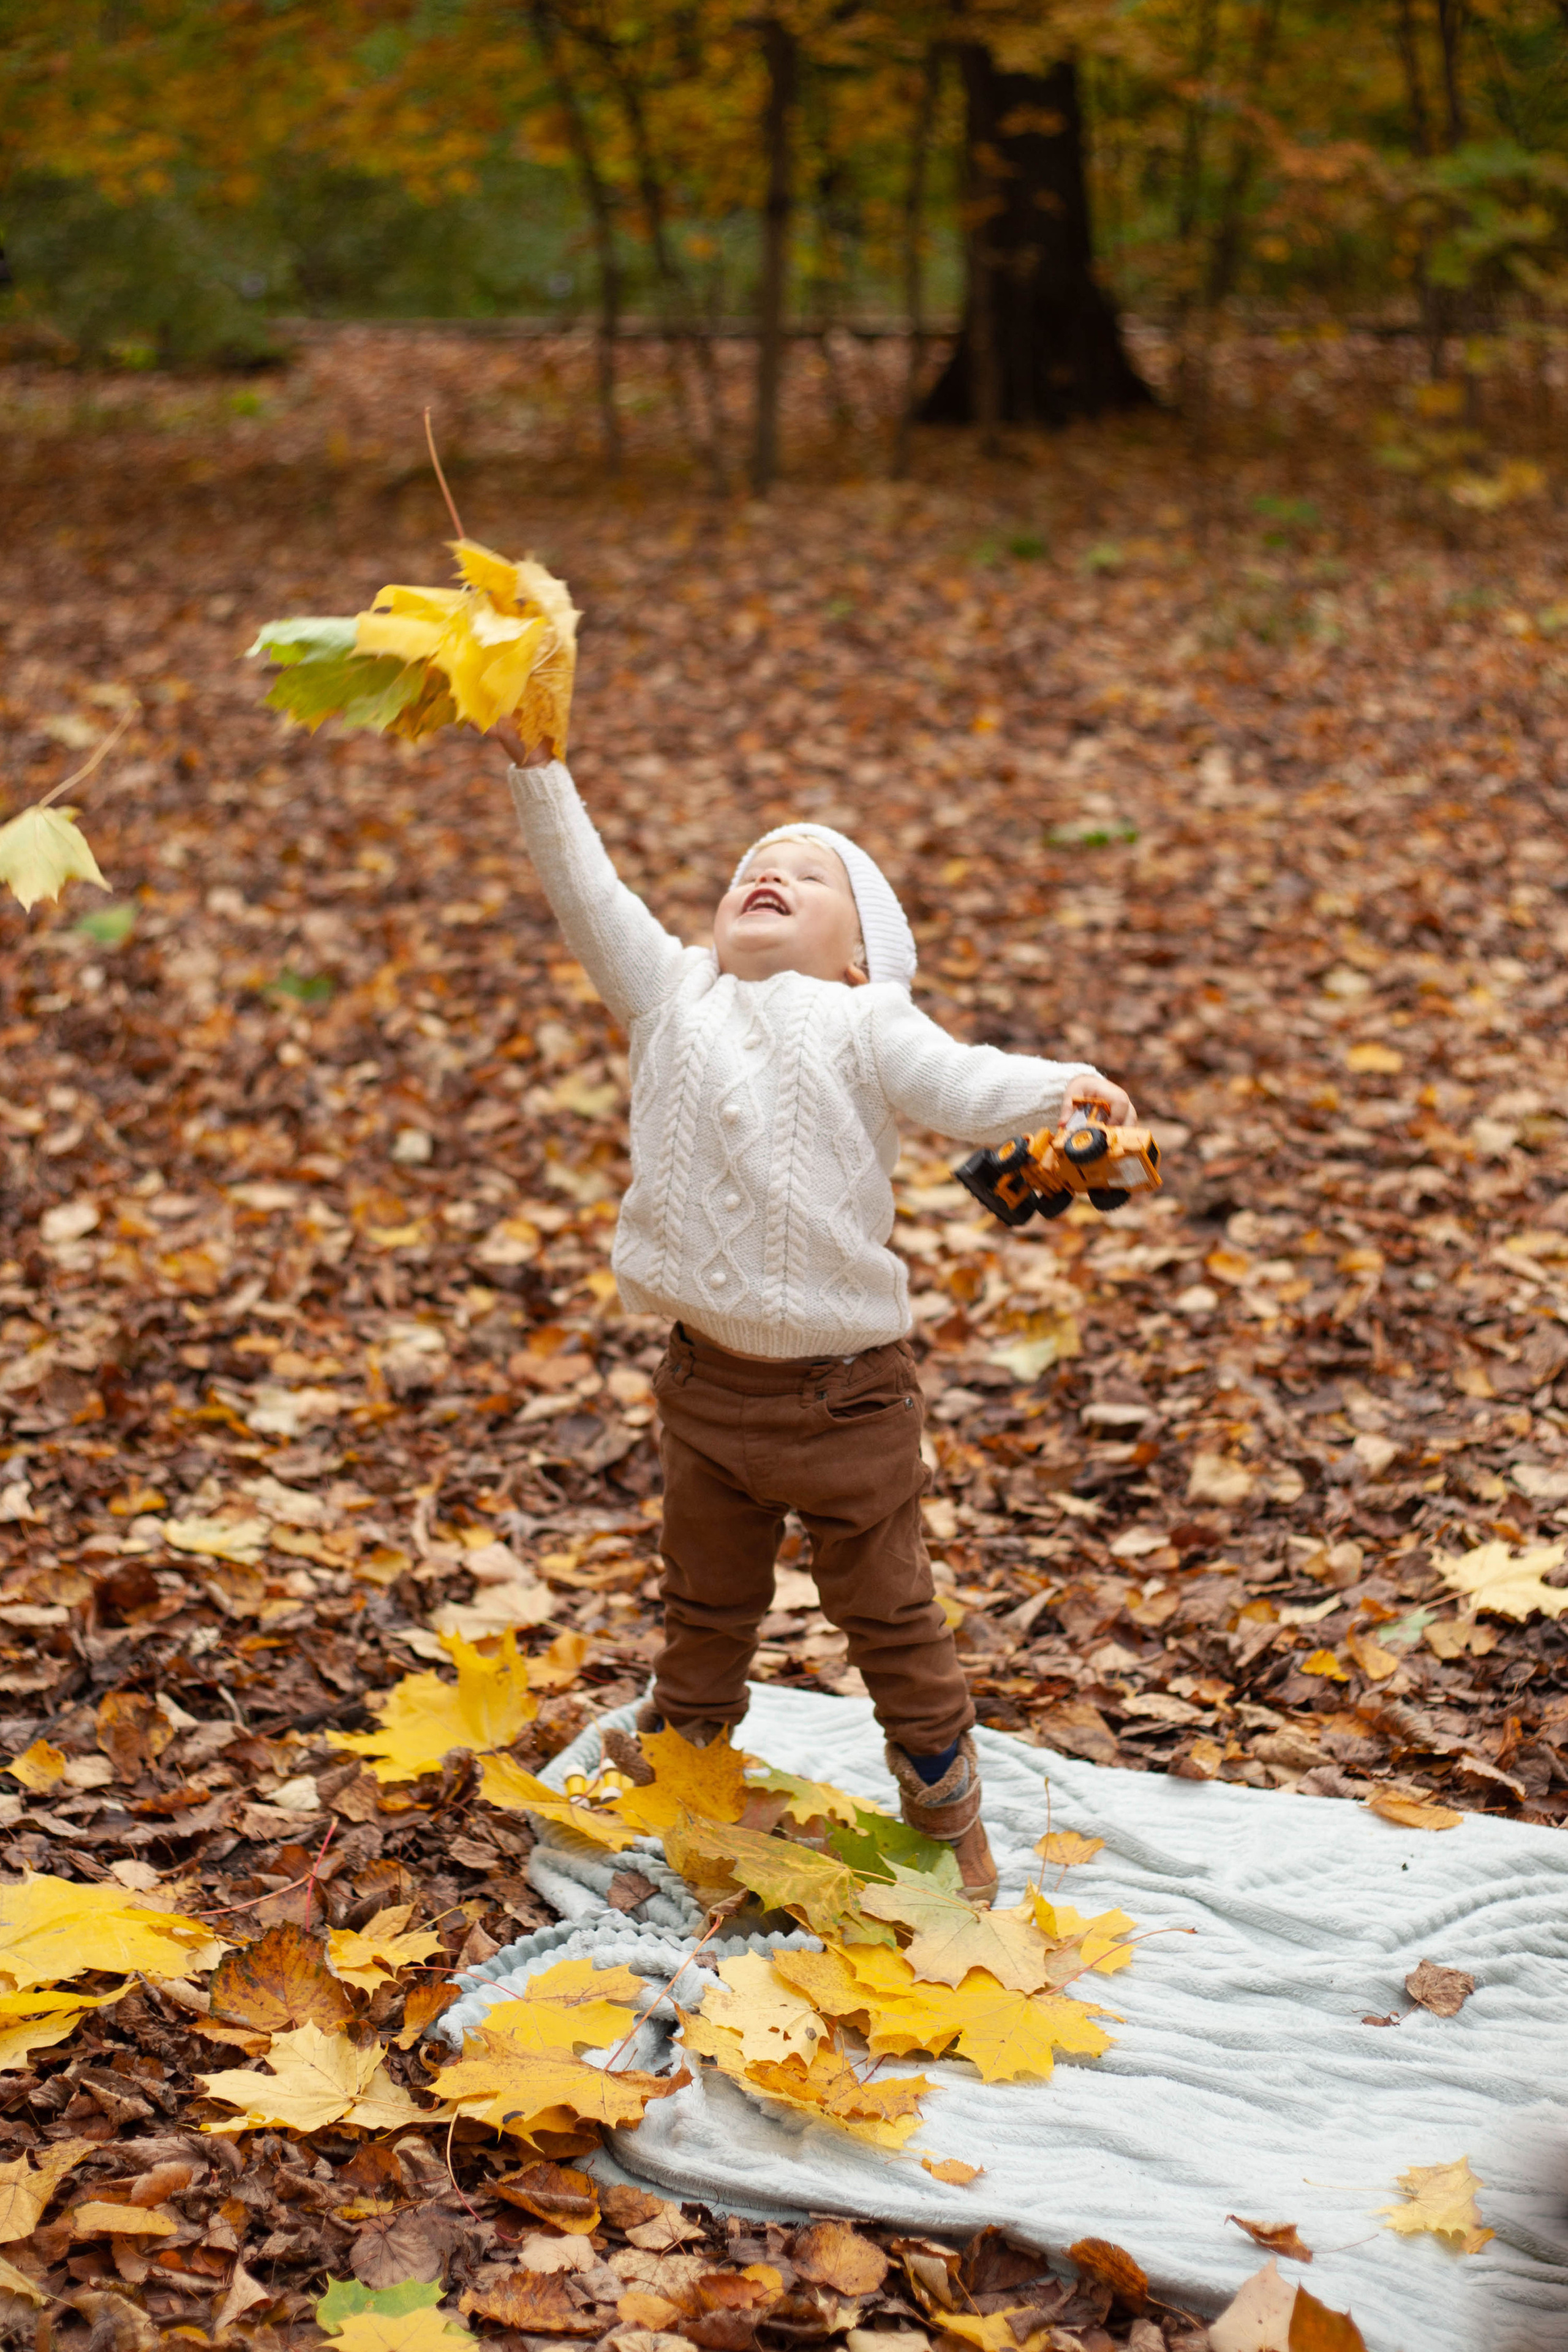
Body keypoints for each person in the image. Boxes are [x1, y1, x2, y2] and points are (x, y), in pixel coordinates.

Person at [494, 725, 1133, 1901]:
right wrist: (539, 768)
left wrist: (1060, 1088)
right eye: (753, 863)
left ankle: (947, 1818)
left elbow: (963, 1082)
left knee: (888, 1615)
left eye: (812, 869)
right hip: (704, 1385)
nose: (769, 871)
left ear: (861, 953)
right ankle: (686, 1762)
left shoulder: (864, 1020)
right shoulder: (671, 991)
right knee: (704, 1601)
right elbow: (586, 890)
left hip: (845, 1398)